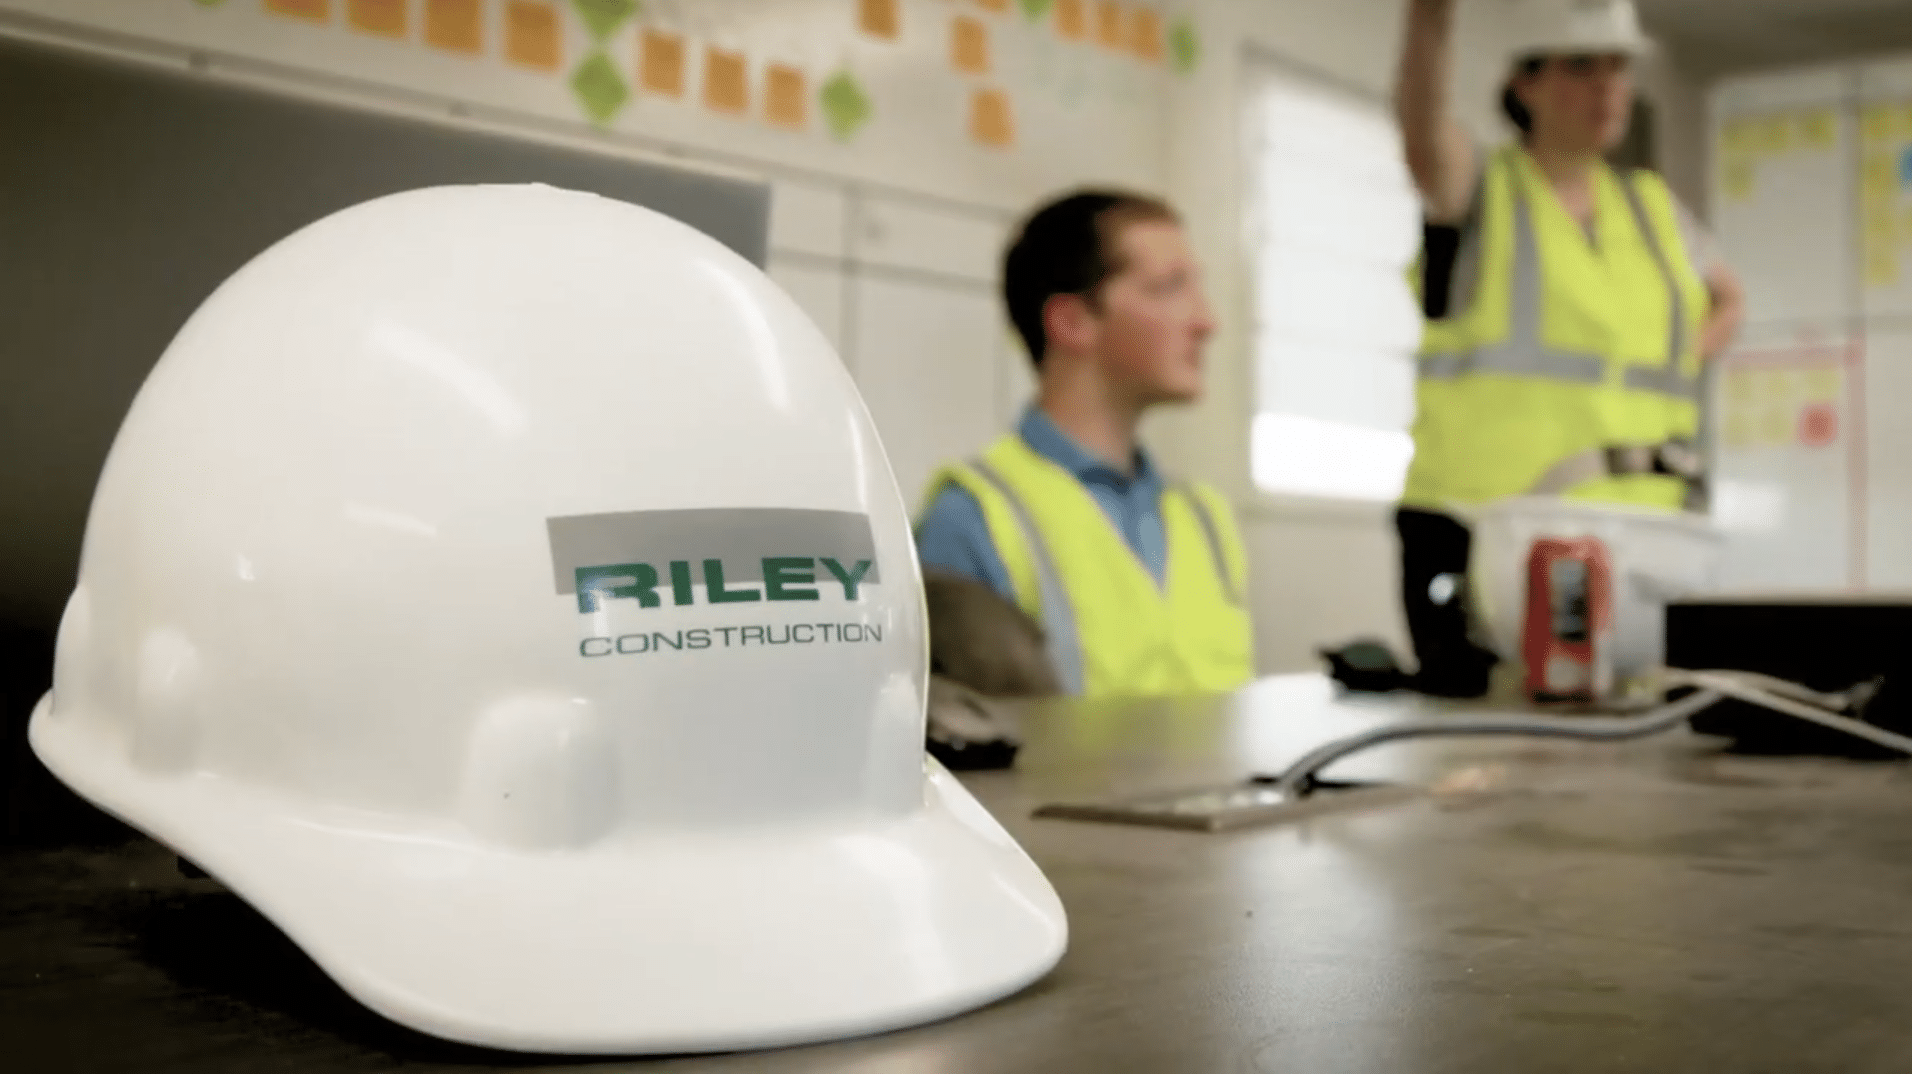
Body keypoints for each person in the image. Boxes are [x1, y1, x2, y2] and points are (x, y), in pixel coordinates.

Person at [1393, 0, 1745, 697]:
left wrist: (1683, 363)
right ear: (1524, 82)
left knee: (1634, 733)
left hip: (1639, 534)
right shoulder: (1483, 188)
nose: (1607, 87)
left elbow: (1729, 298)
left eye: (1618, 68)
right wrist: (1430, 21)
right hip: (1490, 536)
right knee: (1496, 739)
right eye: (1581, 67)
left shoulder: (1652, 207)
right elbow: (1421, 134)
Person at [914, 191, 1254, 697]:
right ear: (1072, 322)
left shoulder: (1205, 516)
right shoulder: (973, 518)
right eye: (1169, 287)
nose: (1207, 322)